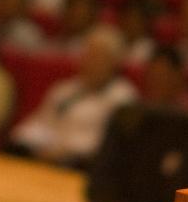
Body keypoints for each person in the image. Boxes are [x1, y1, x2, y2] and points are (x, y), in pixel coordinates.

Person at [8, 23, 137, 168]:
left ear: (114, 62)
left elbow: (108, 145)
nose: (89, 61)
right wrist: (27, 141)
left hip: (81, 163)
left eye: (97, 57)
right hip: (45, 154)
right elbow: (40, 122)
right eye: (87, 54)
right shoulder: (65, 88)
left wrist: (63, 151)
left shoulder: (122, 97)